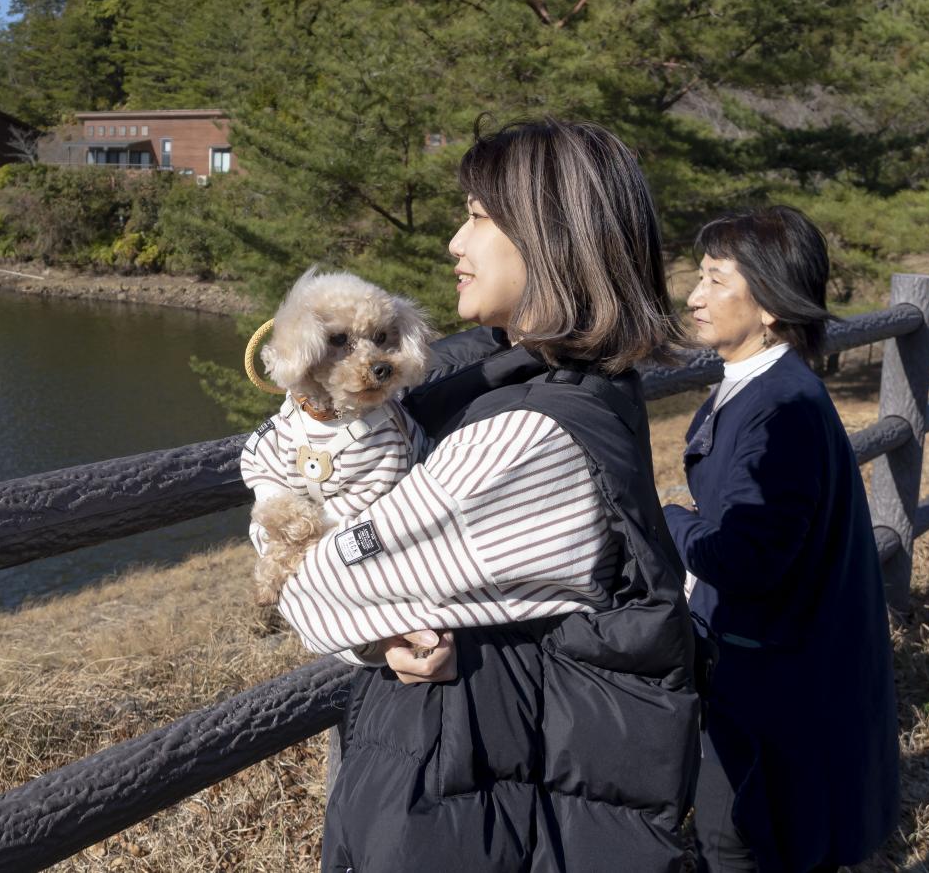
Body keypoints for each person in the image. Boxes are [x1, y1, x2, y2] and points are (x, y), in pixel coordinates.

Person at [257, 118, 701, 872]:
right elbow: (298, 462)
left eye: (477, 217)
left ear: (551, 236)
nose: (453, 244)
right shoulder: (537, 371)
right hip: (488, 772)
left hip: (478, 801)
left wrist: (326, 577)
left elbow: (315, 591)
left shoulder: (520, 440)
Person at [663, 205, 899, 872]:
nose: (693, 295)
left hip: (769, 682)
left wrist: (669, 518)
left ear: (766, 301)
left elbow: (746, 558)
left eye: (714, 280)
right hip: (774, 670)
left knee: (740, 837)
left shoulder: (779, 409)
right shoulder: (769, 387)